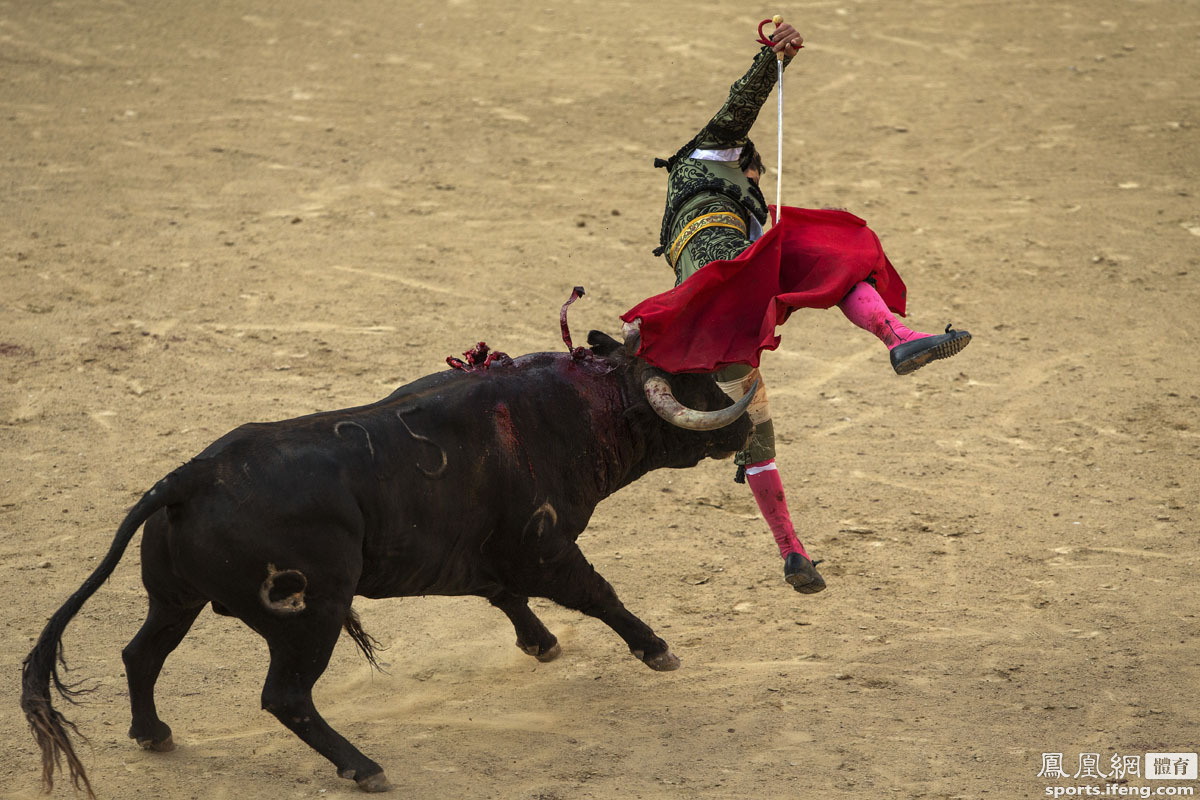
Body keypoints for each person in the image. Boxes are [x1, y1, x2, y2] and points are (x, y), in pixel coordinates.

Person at [627, 18, 970, 595]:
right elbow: (739, 106)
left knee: (758, 434)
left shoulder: (687, 208)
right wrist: (773, 58)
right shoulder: (708, 156)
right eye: (755, 177)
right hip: (733, 276)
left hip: (712, 324)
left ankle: (792, 552)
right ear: (744, 163)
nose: (758, 187)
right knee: (837, 250)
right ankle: (897, 337)